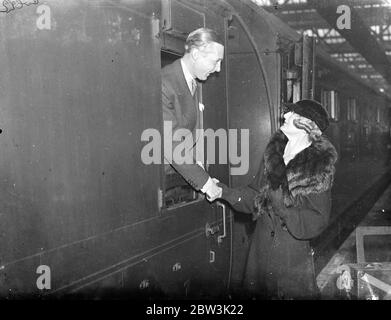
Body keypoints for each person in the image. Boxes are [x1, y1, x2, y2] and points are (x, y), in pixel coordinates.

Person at [217, 100, 338, 299]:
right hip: (260, 253)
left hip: (290, 261)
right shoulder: (274, 154)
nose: (285, 116)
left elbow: (317, 219)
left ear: (307, 125)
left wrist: (282, 207)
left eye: (292, 115)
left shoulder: (317, 168)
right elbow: (255, 195)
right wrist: (223, 192)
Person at [162, 28, 224, 202]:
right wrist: (205, 182)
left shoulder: (190, 81)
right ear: (195, 54)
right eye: (216, 61)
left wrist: (199, 169)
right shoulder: (165, 83)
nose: (218, 69)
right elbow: (170, 145)